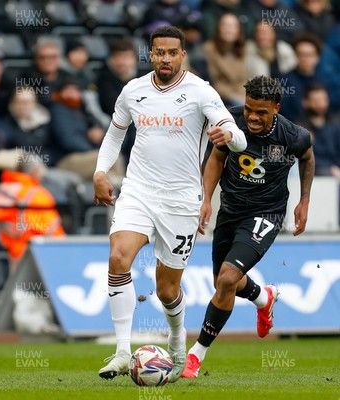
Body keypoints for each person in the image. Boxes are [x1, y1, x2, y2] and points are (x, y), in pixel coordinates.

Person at [93, 25, 247, 382]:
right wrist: (101, 172)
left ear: (182, 55)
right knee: (118, 257)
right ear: (150, 54)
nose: (165, 58)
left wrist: (230, 137)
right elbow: (115, 133)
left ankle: (177, 336)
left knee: (166, 290)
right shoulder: (133, 90)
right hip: (139, 190)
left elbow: (235, 135)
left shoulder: (200, 91)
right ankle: (121, 351)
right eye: (158, 52)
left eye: (171, 53)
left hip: (180, 200)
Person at [181, 76, 314, 378]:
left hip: (266, 213)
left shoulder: (294, 135)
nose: (252, 117)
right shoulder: (232, 120)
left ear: (276, 109)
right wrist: (205, 200)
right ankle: (263, 297)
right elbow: (216, 157)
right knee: (222, 282)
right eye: (250, 109)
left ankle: (196, 354)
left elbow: (307, 157)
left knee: (228, 277)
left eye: (261, 112)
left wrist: (304, 200)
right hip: (230, 209)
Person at [204, 13, 247, 107]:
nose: (228, 29)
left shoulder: (243, 49)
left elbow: (244, 79)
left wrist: (244, 97)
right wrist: (235, 97)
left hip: (243, 97)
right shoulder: (209, 49)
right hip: (220, 101)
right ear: (218, 29)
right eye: (225, 25)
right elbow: (214, 82)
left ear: (238, 30)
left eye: (232, 26)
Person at [297, 84, 340, 177]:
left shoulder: (335, 125)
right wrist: (329, 169)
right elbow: (302, 160)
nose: (321, 104)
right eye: (316, 100)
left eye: (324, 100)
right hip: (316, 175)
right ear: (305, 102)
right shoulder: (299, 128)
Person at [279, 34, 323, 122]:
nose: (305, 59)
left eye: (309, 55)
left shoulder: (324, 80)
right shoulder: (284, 81)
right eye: (301, 54)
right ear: (295, 56)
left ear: (317, 57)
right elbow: (283, 114)